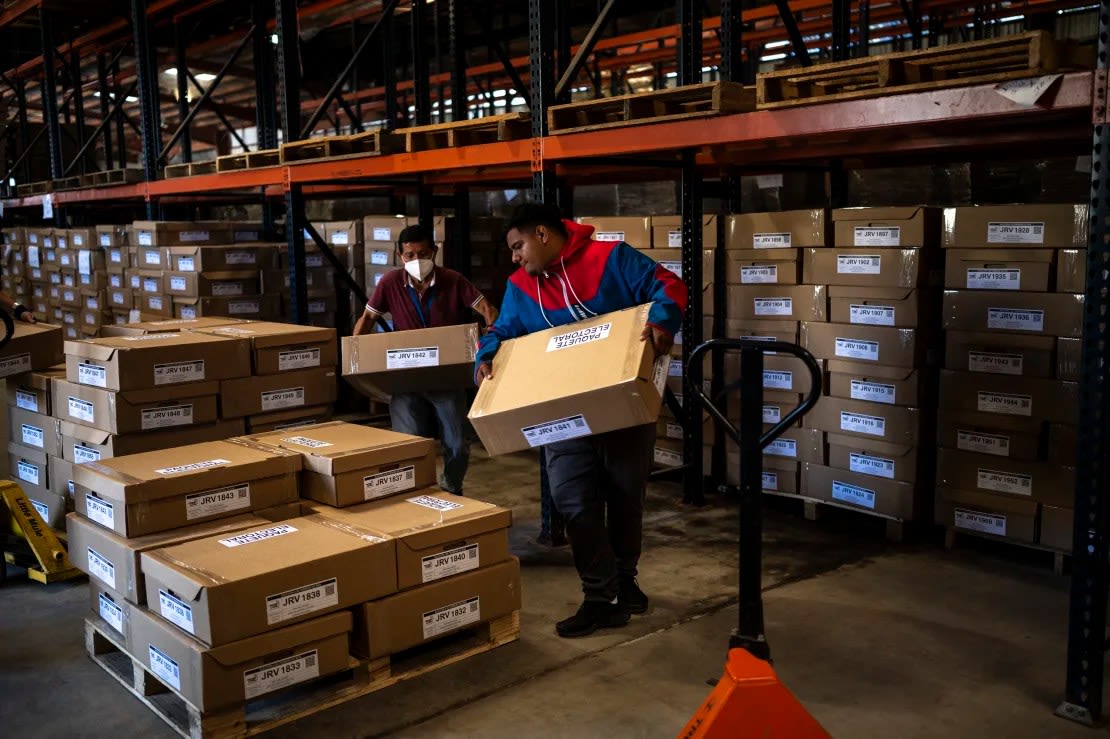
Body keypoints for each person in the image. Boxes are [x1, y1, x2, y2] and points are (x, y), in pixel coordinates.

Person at [475, 203, 687, 638]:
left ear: (542, 234)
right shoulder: (520, 287)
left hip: (622, 407)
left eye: (518, 246)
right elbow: (503, 332)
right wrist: (486, 354)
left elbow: (667, 285)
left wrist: (663, 322)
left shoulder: (611, 259)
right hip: (562, 412)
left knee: (625, 498)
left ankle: (624, 583)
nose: (515, 257)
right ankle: (599, 595)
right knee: (573, 501)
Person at [353, 223, 498, 495]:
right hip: (405, 378)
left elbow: (488, 310)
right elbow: (368, 318)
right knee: (409, 443)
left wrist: (489, 346)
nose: (416, 260)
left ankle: (452, 487)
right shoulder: (390, 283)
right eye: (409, 255)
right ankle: (415, 492)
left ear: (434, 251)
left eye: (423, 253)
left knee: (457, 442)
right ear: (400, 257)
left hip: (446, 377)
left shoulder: (453, 280)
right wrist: (356, 356)